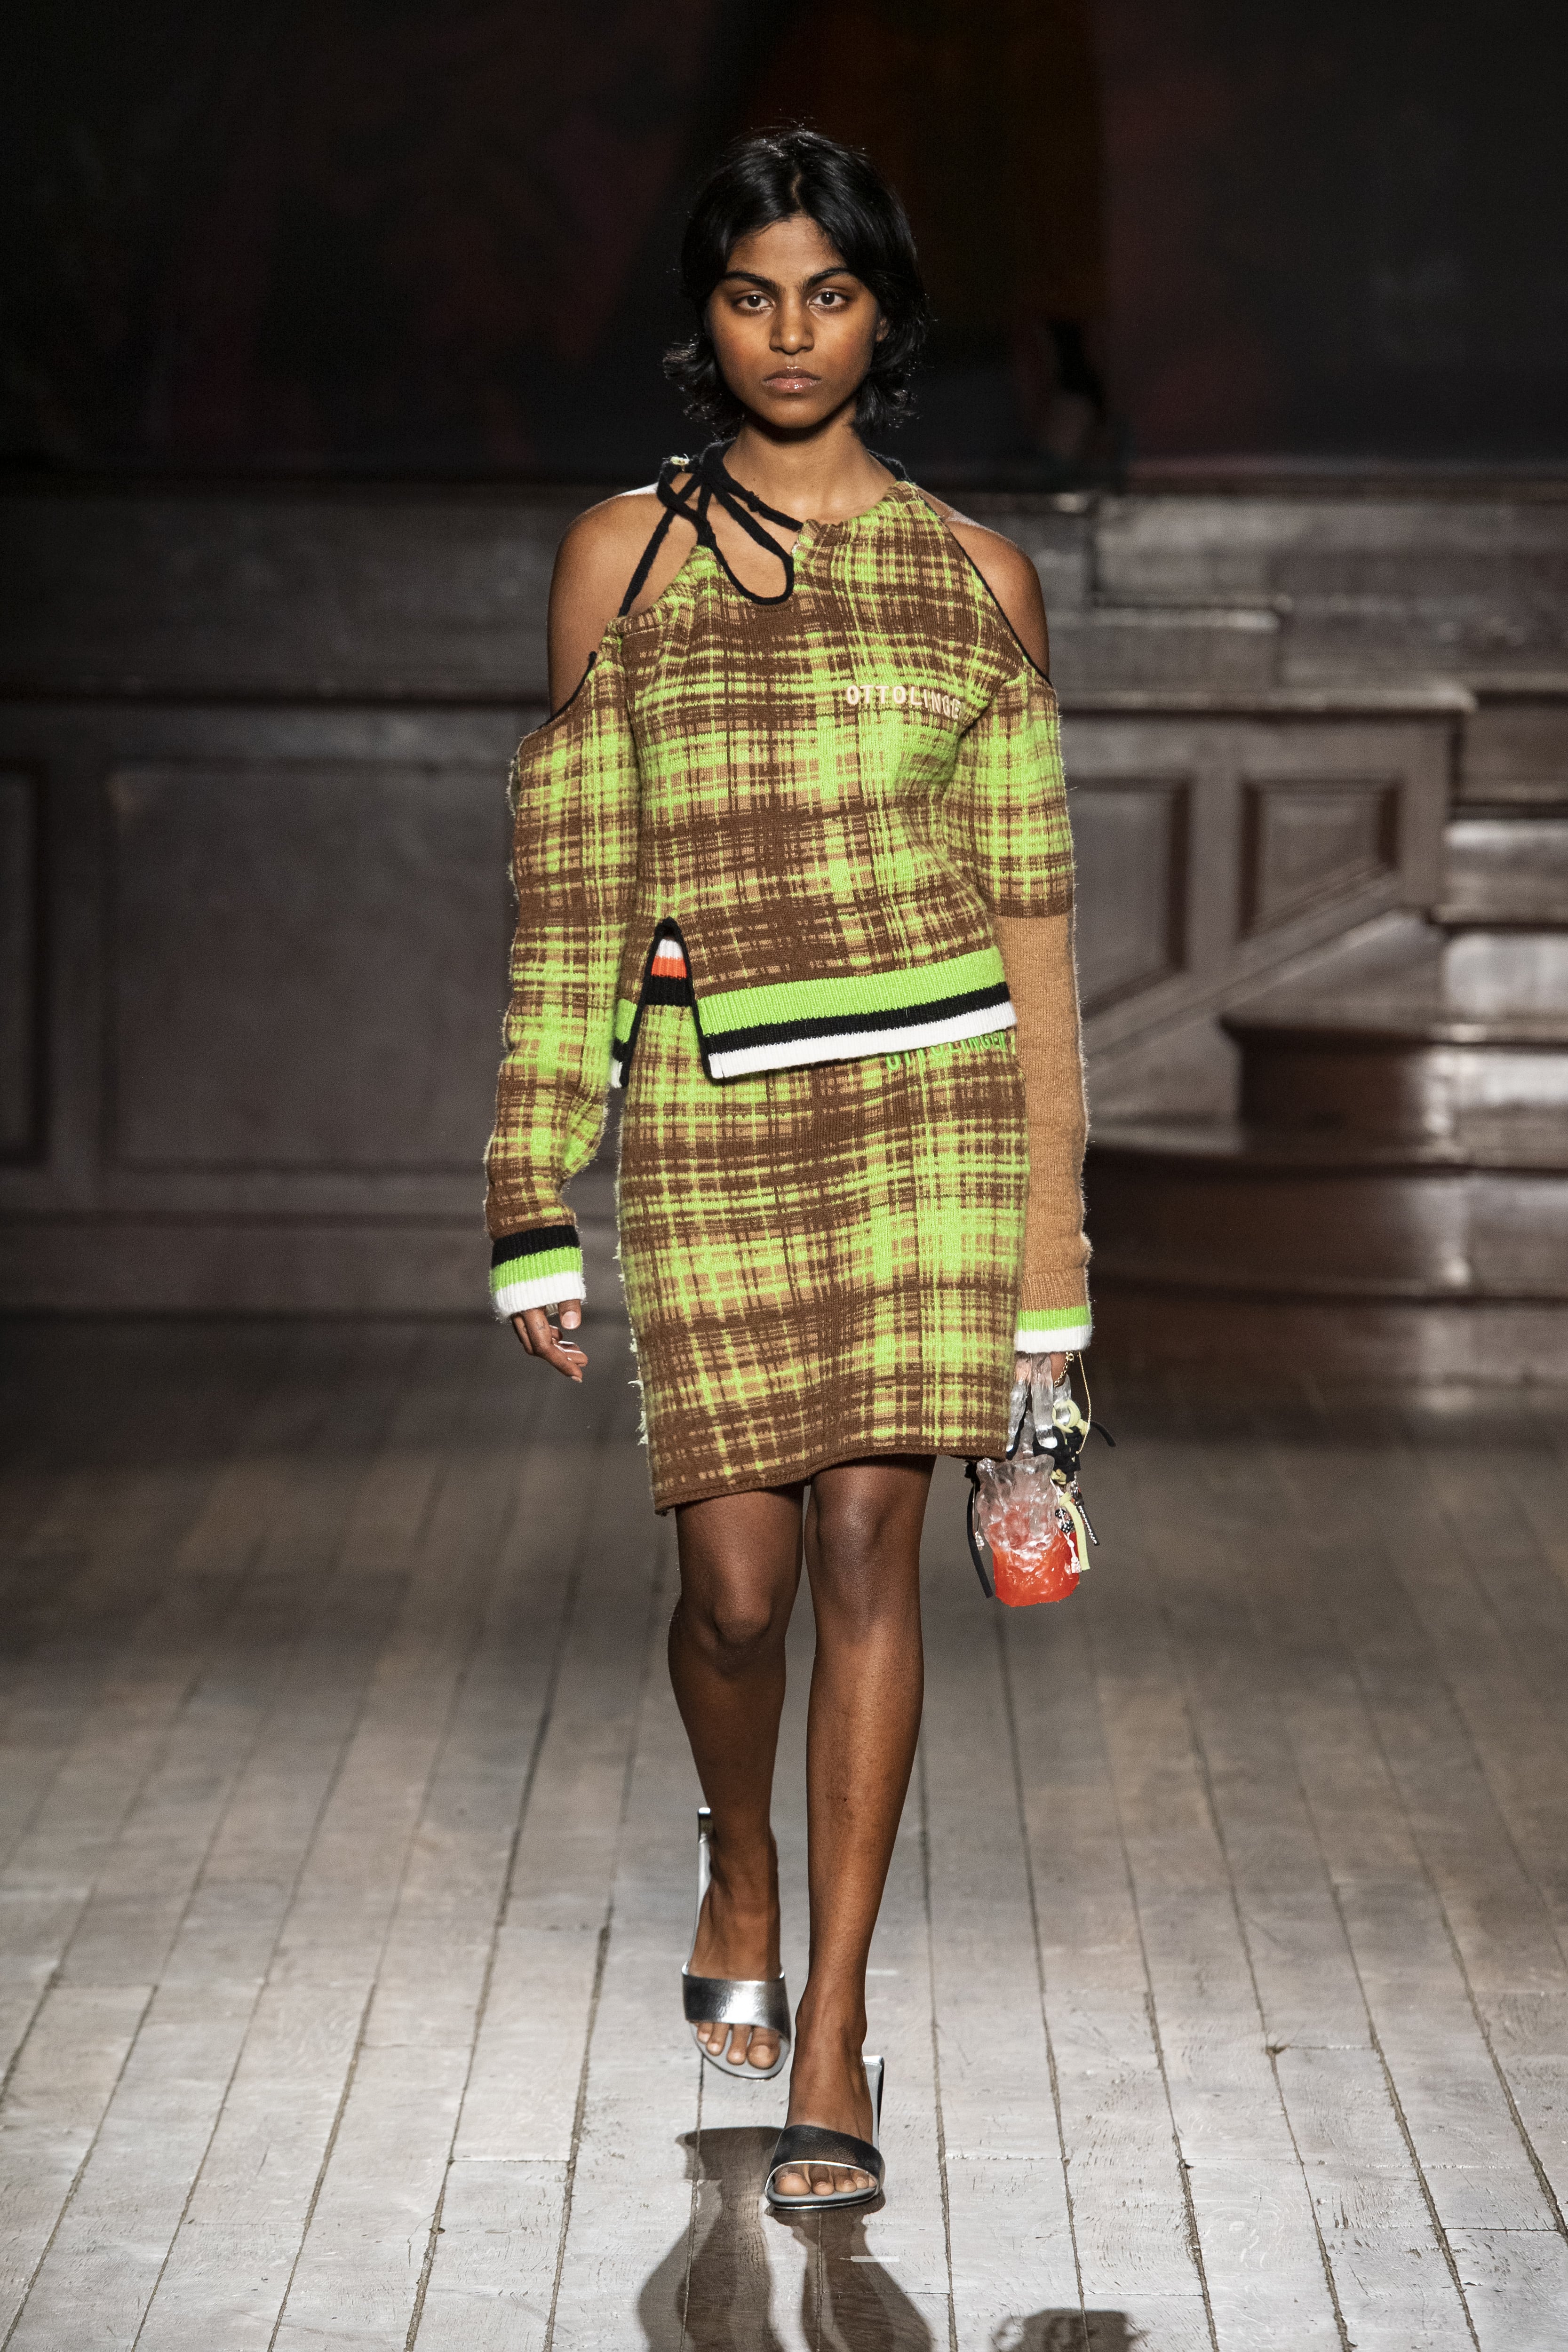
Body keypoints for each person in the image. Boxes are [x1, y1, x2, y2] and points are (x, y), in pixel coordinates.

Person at [484, 128, 1090, 2212]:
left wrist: (1052, 1258)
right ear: (707, 318)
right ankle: (736, 1856)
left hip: (931, 1118)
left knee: (862, 1555)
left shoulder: (978, 579)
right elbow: (575, 894)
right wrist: (528, 1186)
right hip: (717, 1120)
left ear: (885, 316)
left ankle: (834, 2028)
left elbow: (1036, 932)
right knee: (730, 1596)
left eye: (830, 294)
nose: (792, 332)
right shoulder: (621, 562)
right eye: (753, 294)